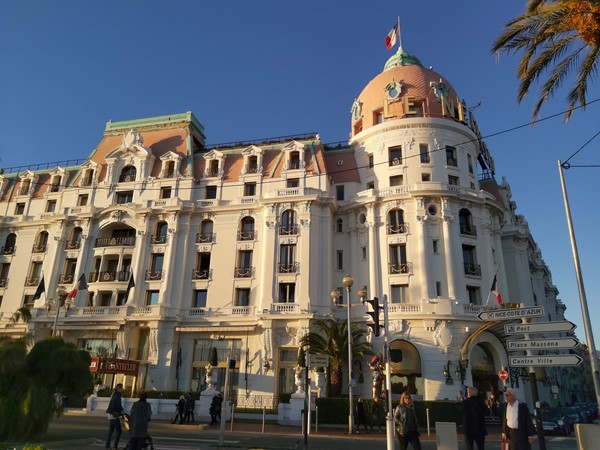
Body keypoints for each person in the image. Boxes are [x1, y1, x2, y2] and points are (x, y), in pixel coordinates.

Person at [105, 383, 124, 450]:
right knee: (119, 431)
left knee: (111, 431)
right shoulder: (117, 395)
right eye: (122, 388)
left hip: (110, 414)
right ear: (119, 388)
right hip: (114, 415)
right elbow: (118, 404)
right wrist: (122, 411)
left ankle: (107, 446)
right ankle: (115, 446)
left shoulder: (113, 394)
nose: (122, 389)